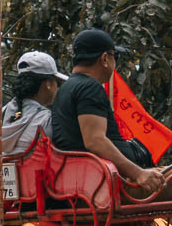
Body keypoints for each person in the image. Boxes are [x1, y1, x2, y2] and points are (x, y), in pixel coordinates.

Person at [49, 29, 161, 190]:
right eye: (116, 56)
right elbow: (95, 141)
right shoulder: (90, 88)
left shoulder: (65, 88)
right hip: (112, 183)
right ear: (105, 59)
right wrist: (138, 174)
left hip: (81, 181)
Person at [1, 51, 68, 157]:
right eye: (58, 82)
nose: (58, 87)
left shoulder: (2, 113)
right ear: (48, 84)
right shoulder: (47, 120)